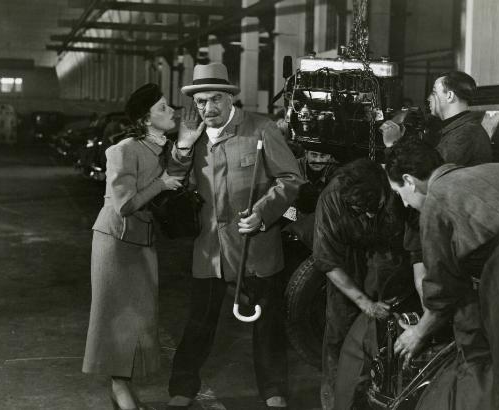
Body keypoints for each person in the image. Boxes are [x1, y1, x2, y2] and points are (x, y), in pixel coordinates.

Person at [385, 138, 499, 409]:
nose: (406, 204)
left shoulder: (437, 198)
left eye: (399, 193)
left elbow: (443, 290)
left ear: (409, 180)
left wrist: (418, 333)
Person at [166, 62, 304, 409]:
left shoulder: (261, 128)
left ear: (230, 99)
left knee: (267, 327)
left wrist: (263, 213)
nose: (208, 109)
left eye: (215, 100)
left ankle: (274, 390)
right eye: (201, 102)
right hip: (210, 250)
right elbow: (173, 181)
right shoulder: (191, 137)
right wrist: (182, 149)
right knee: (199, 322)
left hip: (255, 247)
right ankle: (182, 387)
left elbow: (291, 178)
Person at [82, 84, 184, 410]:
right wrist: (162, 183)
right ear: (145, 119)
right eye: (163, 108)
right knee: (116, 319)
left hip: (140, 241)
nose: (171, 112)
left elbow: (176, 172)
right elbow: (124, 204)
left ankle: (121, 389)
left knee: (138, 319)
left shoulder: (159, 146)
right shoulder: (123, 150)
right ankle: (120, 388)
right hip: (116, 243)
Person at [313, 158, 420, 410]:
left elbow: (418, 247)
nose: (370, 214)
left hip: (391, 254)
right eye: (361, 210)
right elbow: (327, 260)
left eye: (375, 206)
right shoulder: (331, 199)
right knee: (340, 328)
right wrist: (365, 303)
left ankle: (388, 393)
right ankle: (337, 401)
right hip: (346, 258)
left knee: (389, 327)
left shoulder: (396, 188)